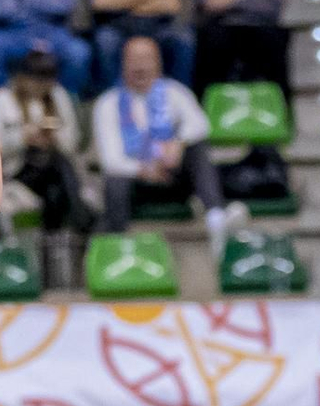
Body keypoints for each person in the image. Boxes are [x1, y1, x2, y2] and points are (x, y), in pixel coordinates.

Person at [93, 34, 245, 258]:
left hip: (173, 179)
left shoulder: (175, 93)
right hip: (137, 186)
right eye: (133, 59)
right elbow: (111, 161)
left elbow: (200, 125)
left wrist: (178, 143)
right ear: (123, 64)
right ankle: (119, 247)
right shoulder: (108, 103)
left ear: (158, 63)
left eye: (146, 58)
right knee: (114, 181)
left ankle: (216, 217)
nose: (140, 65)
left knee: (197, 148)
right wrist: (144, 170)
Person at [0, 46, 95, 285]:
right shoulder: (2, 100)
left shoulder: (57, 97)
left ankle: (51, 272)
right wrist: (23, 137)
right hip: (17, 172)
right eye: (36, 79)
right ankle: (80, 214)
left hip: (51, 174)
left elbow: (73, 141)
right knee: (55, 168)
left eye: (46, 79)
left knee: (55, 188)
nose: (41, 85)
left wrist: (52, 137)